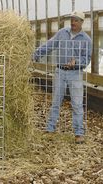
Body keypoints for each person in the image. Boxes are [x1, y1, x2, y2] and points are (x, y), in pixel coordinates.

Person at [33, 10, 92, 144]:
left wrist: (76, 62)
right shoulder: (62, 33)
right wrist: (35, 55)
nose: (73, 22)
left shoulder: (86, 40)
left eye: (76, 20)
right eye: (72, 19)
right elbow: (49, 45)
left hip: (76, 74)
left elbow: (86, 59)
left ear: (82, 22)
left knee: (77, 104)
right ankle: (50, 129)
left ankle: (78, 133)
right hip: (60, 71)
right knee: (55, 102)